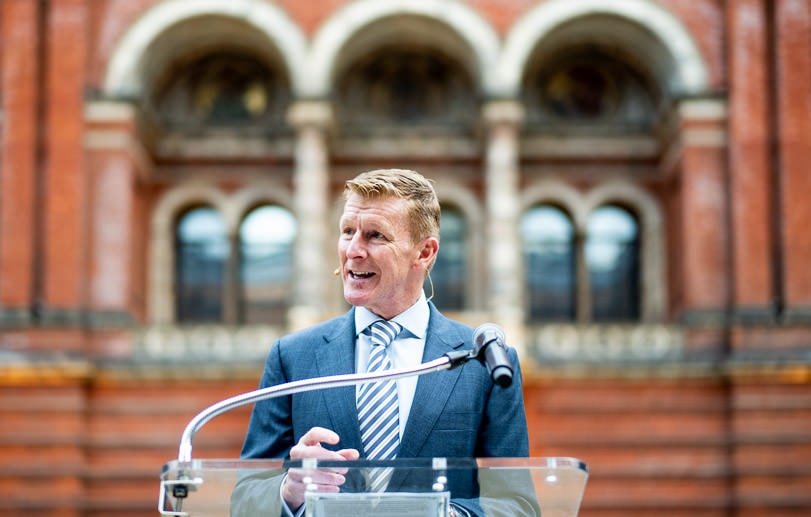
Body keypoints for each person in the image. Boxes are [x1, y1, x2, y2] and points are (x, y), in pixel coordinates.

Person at [233, 169, 533, 517]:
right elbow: (245, 500)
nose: (353, 250)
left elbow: (517, 505)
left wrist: (449, 516)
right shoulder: (293, 356)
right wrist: (289, 491)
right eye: (347, 232)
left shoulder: (484, 362)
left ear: (424, 253)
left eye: (375, 235)